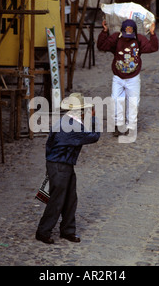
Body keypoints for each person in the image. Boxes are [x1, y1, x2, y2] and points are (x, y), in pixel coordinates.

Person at [36, 93, 100, 244]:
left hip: (60, 164)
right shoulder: (72, 127)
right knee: (57, 201)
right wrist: (93, 118)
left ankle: (67, 230)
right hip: (60, 166)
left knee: (70, 199)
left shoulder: (65, 121)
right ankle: (43, 231)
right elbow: (94, 136)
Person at [97, 19, 158, 139]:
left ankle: (131, 126)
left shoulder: (139, 39)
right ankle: (118, 125)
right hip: (118, 77)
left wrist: (152, 34)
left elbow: (153, 47)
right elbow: (101, 45)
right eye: (125, 36)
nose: (127, 39)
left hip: (133, 77)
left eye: (130, 36)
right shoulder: (116, 38)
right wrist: (104, 32)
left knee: (133, 102)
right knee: (116, 100)